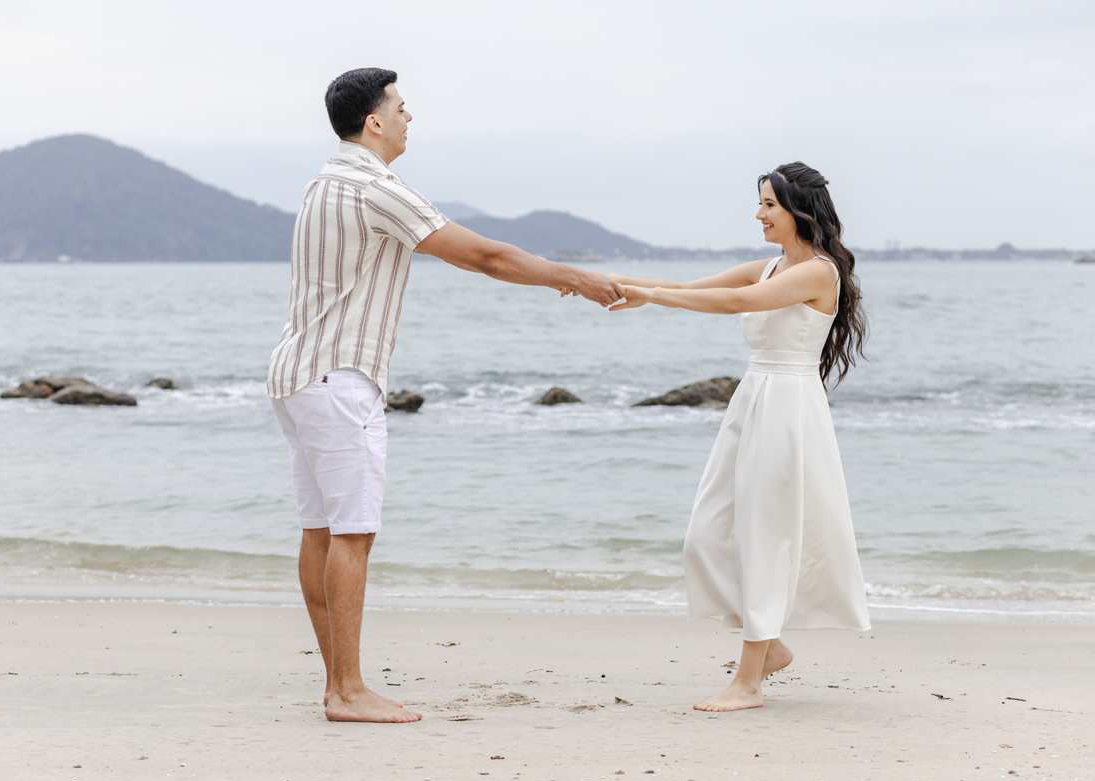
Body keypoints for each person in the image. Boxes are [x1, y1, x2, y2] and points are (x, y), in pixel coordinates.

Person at [267, 67, 623, 724]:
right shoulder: (375, 185)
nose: (409, 117)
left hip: (297, 376)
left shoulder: (324, 180)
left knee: (321, 530)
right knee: (352, 534)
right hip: (340, 378)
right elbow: (483, 256)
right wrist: (571, 276)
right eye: (402, 108)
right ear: (374, 121)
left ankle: (336, 685)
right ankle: (347, 690)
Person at [605, 162, 871, 711]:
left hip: (789, 407)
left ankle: (748, 679)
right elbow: (692, 287)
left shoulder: (819, 272)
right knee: (708, 533)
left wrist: (655, 297)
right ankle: (769, 646)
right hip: (753, 401)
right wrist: (636, 290)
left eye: (770, 205)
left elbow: (735, 303)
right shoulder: (770, 266)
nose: (760, 215)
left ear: (799, 208)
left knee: (764, 534)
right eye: (761, 204)